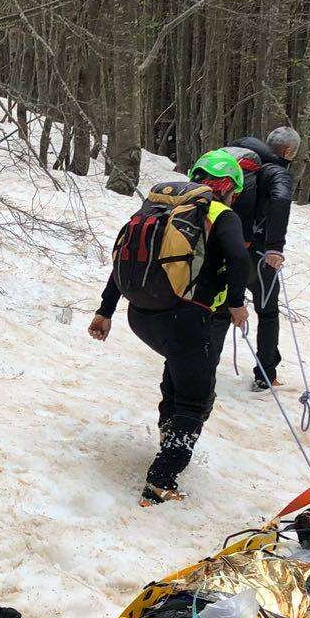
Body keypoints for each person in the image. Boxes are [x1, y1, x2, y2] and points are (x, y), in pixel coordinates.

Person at [89, 149, 251, 505]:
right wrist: (237, 303)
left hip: (142, 316)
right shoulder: (219, 214)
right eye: (235, 193)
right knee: (196, 400)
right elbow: (240, 259)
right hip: (186, 319)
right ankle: (161, 480)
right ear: (228, 187)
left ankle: (168, 437)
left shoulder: (159, 212)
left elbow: (125, 260)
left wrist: (105, 310)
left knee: (179, 371)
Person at [223, 125, 299, 389]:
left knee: (221, 307)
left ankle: (203, 367)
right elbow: (281, 199)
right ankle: (266, 375)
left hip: (226, 245)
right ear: (287, 151)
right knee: (267, 312)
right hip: (256, 254)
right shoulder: (276, 172)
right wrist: (275, 247)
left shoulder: (238, 166)